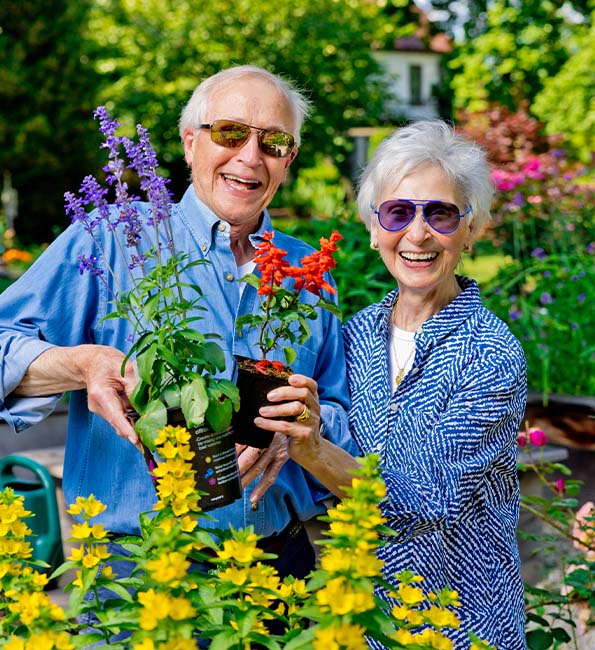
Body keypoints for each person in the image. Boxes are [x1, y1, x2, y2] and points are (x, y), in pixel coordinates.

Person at [0, 65, 355, 582]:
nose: (250, 157)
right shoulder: (108, 240)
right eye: (230, 132)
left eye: (274, 142)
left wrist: (305, 431)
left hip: (277, 564)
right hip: (140, 567)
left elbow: (340, 414)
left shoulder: (308, 273)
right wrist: (85, 363)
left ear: (288, 161)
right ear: (191, 143)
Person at [255, 120, 527, 648]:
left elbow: (428, 498)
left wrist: (310, 449)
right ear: (376, 227)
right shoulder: (353, 335)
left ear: (470, 230)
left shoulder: (492, 354)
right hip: (361, 620)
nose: (418, 234)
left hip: (463, 623)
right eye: (399, 212)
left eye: (442, 214)